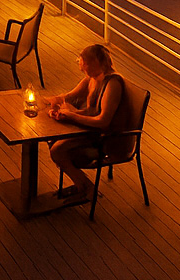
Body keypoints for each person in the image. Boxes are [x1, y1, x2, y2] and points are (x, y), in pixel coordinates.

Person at [47, 43, 135, 205]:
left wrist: (72, 116)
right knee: (52, 138)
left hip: (107, 139)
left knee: (57, 150)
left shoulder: (112, 84)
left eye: (83, 65)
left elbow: (103, 121)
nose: (82, 69)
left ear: (94, 63)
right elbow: (68, 97)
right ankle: (79, 183)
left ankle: (88, 189)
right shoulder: (92, 78)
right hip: (91, 130)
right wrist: (54, 104)